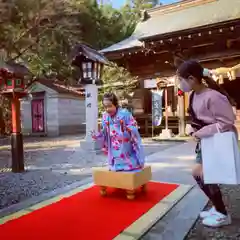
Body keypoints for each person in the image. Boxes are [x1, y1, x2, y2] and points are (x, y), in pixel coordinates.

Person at [177, 60, 237, 228]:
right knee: (204, 174)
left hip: (217, 139)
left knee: (200, 173)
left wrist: (200, 132)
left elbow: (226, 122)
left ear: (191, 79)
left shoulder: (213, 96)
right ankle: (218, 208)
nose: (179, 83)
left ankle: (222, 213)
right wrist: (193, 129)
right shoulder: (193, 95)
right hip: (207, 140)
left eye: (180, 79)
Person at [92, 92, 145, 171]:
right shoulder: (105, 116)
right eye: (105, 107)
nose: (107, 109)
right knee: (115, 155)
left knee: (126, 154)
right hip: (112, 142)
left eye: (110, 106)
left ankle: (130, 164)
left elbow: (134, 125)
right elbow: (104, 131)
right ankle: (115, 165)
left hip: (125, 141)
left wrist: (128, 129)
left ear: (115, 104)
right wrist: (97, 135)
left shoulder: (125, 113)